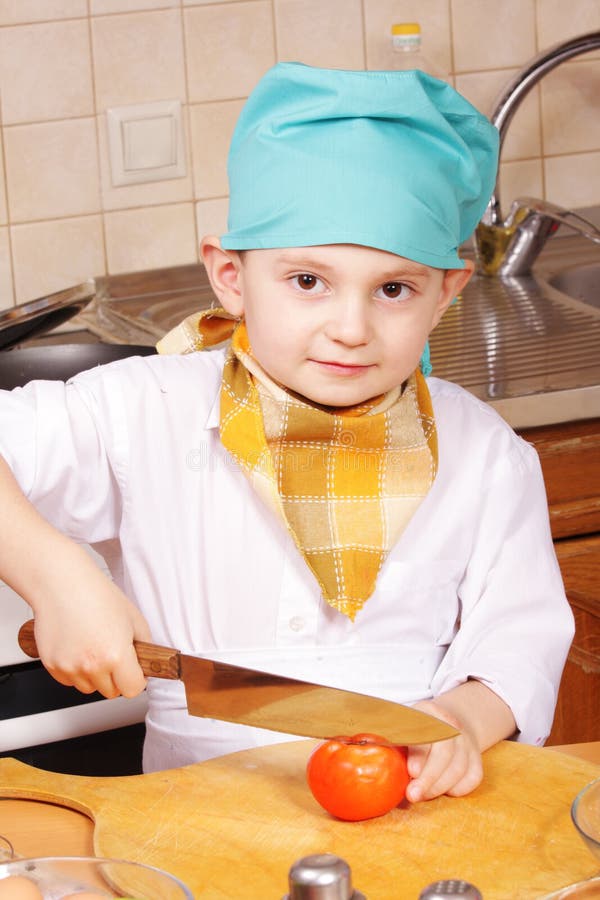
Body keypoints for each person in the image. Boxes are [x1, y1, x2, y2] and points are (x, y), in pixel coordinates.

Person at [0, 63, 573, 803]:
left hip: (418, 814)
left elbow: (518, 640)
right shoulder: (143, 410)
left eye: (393, 289)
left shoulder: (487, 453)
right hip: (191, 821)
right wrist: (56, 576)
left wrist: (463, 718)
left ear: (445, 294)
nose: (349, 327)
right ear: (231, 277)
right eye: (308, 281)